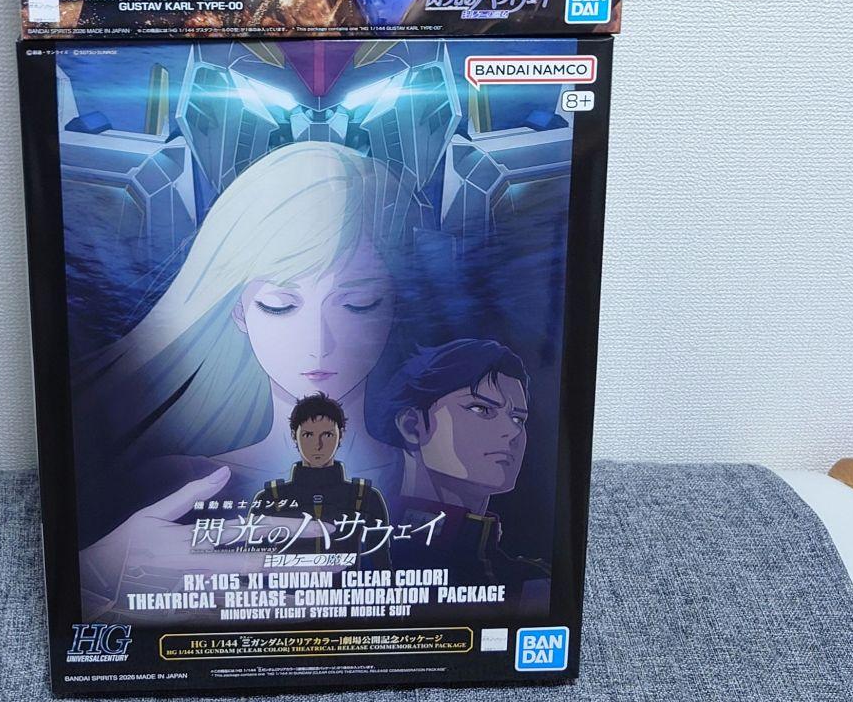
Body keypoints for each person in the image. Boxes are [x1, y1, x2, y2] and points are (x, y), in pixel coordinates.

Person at [75, 141, 410, 617]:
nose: (318, 343)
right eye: (280, 305)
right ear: (239, 311)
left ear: (395, 305)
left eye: (358, 304)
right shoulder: (177, 482)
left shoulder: (435, 473)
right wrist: (96, 574)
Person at [374, 338, 550, 611]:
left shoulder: (534, 583)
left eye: (518, 418)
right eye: (481, 409)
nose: (513, 431)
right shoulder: (366, 560)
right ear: (412, 425)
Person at [256, 393, 391, 570]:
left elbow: (382, 565)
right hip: (288, 588)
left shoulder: (365, 496)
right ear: (294, 435)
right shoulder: (270, 497)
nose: (317, 445)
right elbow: (251, 567)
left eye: (327, 435)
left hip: (345, 588)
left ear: (340, 435)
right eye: (308, 435)